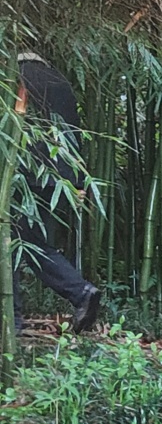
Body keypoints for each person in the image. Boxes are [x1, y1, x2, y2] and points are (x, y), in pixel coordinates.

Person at [13, 52, 100, 332]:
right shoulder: (61, 82)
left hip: (28, 174)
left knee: (11, 243)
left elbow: (14, 124)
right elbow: (74, 134)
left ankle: (10, 318)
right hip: (60, 178)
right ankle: (80, 292)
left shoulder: (17, 77)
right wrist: (80, 183)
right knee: (35, 244)